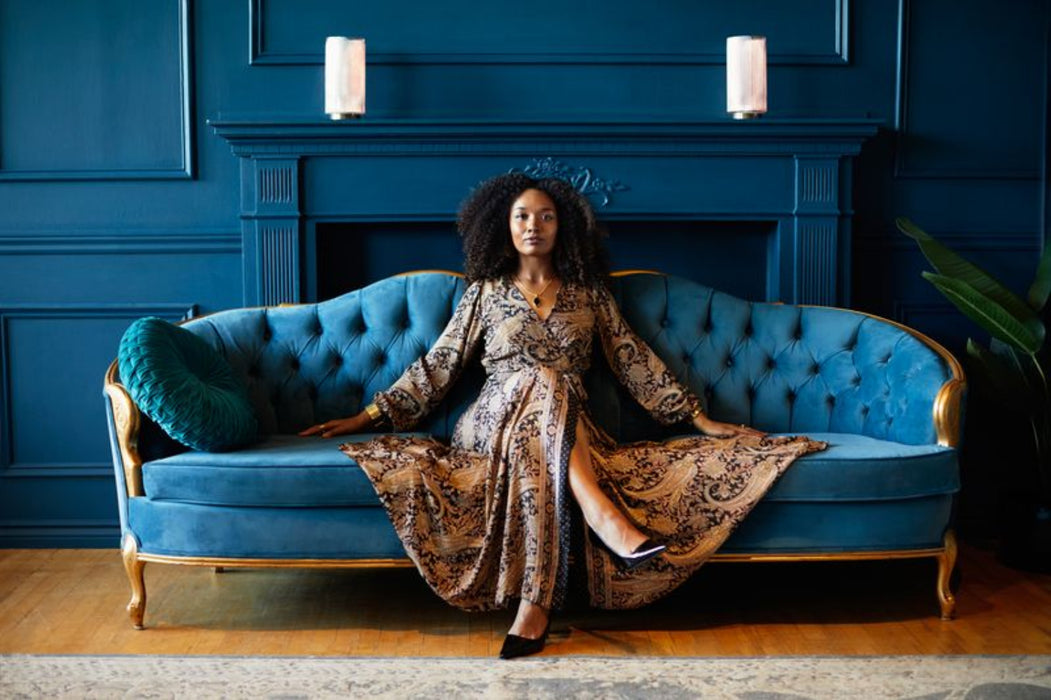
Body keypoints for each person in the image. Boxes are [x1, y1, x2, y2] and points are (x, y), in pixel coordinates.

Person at [300, 173, 826, 659]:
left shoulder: (589, 293)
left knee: (550, 386)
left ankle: (536, 604)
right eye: (522, 216)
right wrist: (366, 417)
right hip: (490, 424)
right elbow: (438, 365)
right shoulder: (485, 292)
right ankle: (602, 516)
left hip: (571, 428)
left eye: (546, 216)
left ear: (563, 226)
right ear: (504, 227)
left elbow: (632, 358)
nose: (534, 225)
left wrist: (698, 418)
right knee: (539, 377)